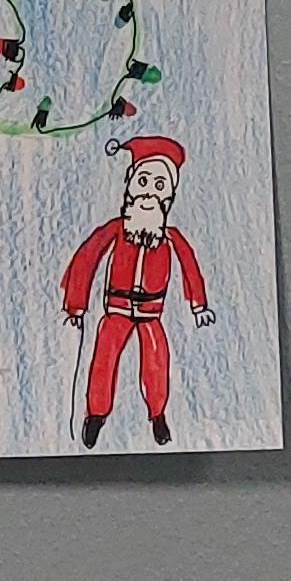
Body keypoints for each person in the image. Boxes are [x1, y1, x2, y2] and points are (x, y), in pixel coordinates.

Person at [59, 135, 215, 446]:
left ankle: (158, 416)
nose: (148, 193)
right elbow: (86, 259)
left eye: (159, 186)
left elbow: (190, 268)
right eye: (143, 182)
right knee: (103, 359)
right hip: (115, 310)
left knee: (156, 362)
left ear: (168, 195)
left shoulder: (170, 237)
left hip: (151, 313)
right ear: (130, 185)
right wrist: (75, 305)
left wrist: (199, 305)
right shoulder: (117, 229)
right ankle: (95, 415)